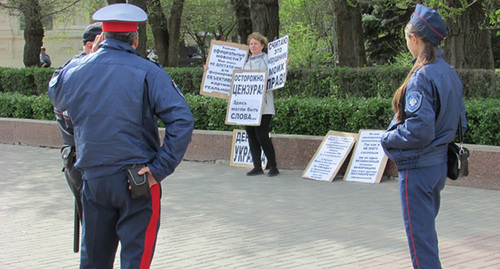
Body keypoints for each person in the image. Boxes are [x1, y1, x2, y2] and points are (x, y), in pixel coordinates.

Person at [48, 3, 194, 268]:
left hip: (92, 180)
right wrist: (158, 169)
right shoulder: (149, 72)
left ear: (102, 36)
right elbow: (182, 120)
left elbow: (56, 93)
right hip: (137, 181)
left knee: (93, 260)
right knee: (136, 260)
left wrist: (85, 57)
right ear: (135, 39)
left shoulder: (75, 70)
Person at [380, 4, 467, 269]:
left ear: (414, 39)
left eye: (406, 38)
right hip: (438, 165)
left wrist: (387, 139)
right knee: (426, 234)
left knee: (421, 242)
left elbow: (419, 129)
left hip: (418, 167)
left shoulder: (423, 76)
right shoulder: (448, 72)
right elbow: (459, 121)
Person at [52, 22, 103, 248]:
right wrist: (92, 59)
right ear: (90, 46)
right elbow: (62, 99)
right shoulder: (68, 72)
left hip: (104, 162)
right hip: (78, 160)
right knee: (94, 234)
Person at [243, 32, 279, 177]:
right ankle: (257, 166)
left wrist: (284, 67)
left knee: (262, 135)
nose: (253, 46)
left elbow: (277, 77)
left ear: (262, 45)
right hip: (248, 106)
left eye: (256, 43)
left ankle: (273, 166)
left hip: (264, 106)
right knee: (251, 135)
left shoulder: (268, 60)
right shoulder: (245, 62)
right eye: (251, 44)